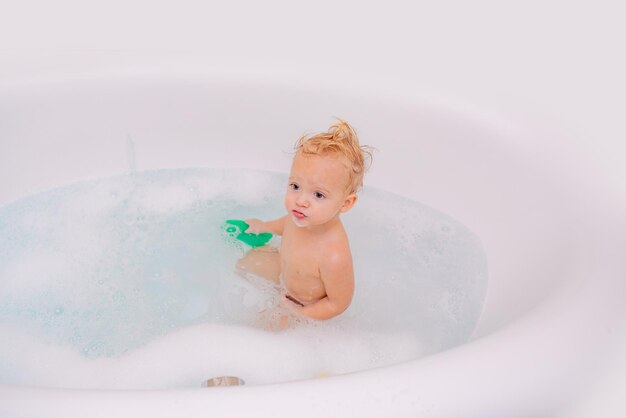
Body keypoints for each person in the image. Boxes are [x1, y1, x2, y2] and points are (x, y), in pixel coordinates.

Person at [236, 119, 372, 325]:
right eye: (295, 186)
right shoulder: (301, 216)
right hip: (285, 277)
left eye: (318, 194)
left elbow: (338, 303)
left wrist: (299, 314)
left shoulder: (334, 255)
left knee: (264, 327)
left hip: (303, 305)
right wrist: (264, 227)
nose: (300, 200)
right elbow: (285, 225)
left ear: (345, 203)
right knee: (243, 265)